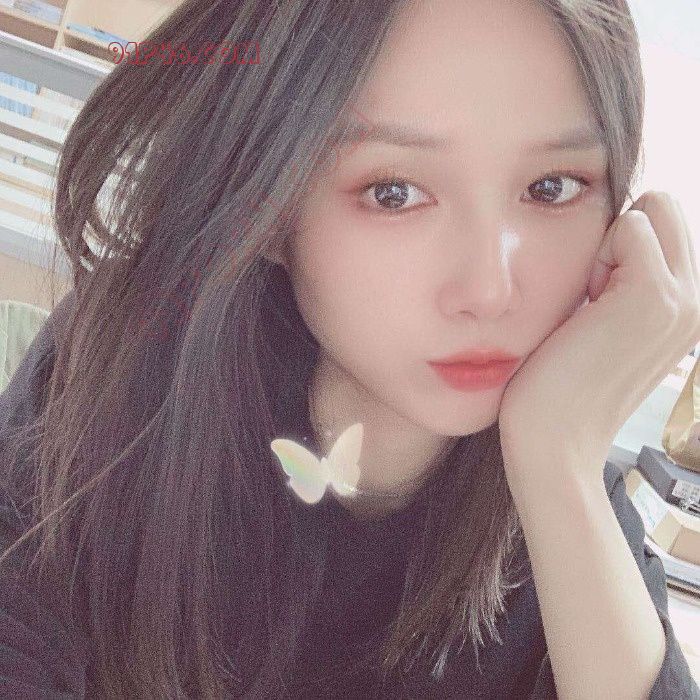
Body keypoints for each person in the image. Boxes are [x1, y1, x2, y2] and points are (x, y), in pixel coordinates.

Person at [0, 0, 699, 697]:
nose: (489, 290)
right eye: (393, 193)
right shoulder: (120, 372)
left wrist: (558, 470)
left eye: (551, 188)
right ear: (271, 206)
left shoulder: (571, 501)